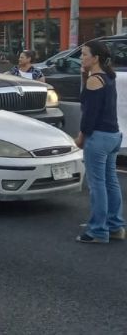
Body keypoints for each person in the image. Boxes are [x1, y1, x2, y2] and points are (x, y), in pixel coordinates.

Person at [74, 40, 125, 243]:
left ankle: (98, 230)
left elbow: (89, 114)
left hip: (98, 136)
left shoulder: (95, 80)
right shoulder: (108, 77)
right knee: (111, 182)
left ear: (95, 58)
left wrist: (81, 136)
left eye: (84, 54)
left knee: (97, 185)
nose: (81, 57)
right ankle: (115, 226)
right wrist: (83, 74)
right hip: (113, 135)